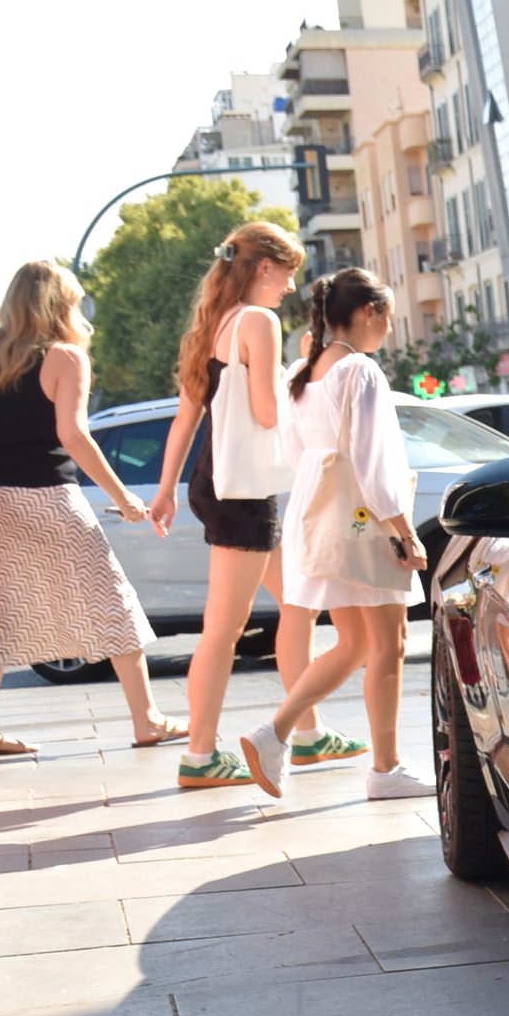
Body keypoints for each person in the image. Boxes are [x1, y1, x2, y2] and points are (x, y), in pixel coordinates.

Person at [150, 223, 356, 789]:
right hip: (242, 492)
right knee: (224, 628)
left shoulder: (212, 324)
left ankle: (307, 732)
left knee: (297, 602)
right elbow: (269, 413)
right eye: (288, 273)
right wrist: (311, 380)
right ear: (263, 267)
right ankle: (199, 755)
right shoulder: (258, 323)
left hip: (217, 483)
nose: (291, 287)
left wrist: (166, 489)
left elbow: (186, 417)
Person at [0, 261, 180, 757]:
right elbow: (73, 436)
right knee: (110, 599)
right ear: (60, 305)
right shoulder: (65, 357)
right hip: (50, 497)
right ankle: (147, 719)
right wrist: (123, 497)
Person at [239, 270, 432, 800]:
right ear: (368, 312)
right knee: (388, 644)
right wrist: (404, 531)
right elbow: (374, 465)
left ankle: (273, 733)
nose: (389, 328)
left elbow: (298, 456)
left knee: (353, 643)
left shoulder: (302, 372)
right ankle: (386, 769)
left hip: (322, 519)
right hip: (364, 523)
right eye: (388, 316)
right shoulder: (359, 371)